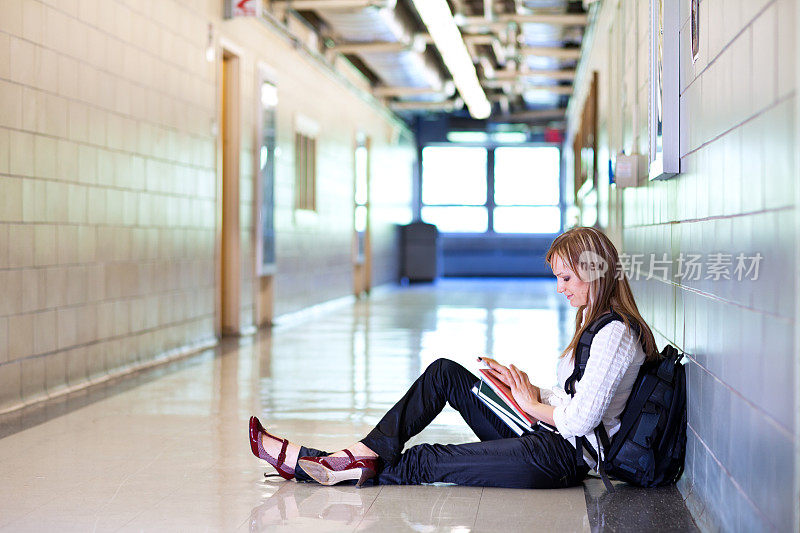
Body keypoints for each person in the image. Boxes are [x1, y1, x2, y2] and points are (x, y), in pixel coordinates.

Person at [248, 226, 660, 489]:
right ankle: (358, 453)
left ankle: (313, 464)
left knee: (426, 460)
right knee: (445, 373)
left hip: (560, 457)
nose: (560, 288)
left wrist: (533, 405)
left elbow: (583, 420)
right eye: (557, 278)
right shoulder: (598, 321)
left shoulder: (616, 333)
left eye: (566, 278)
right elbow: (579, 398)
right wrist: (529, 390)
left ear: (595, 272)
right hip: (549, 436)